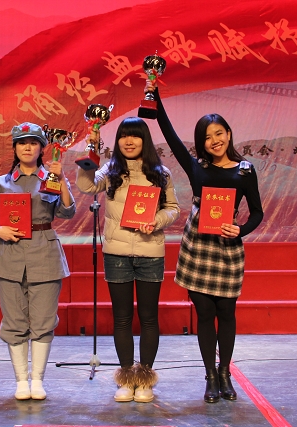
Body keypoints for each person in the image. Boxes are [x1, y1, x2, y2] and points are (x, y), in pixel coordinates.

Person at [145, 80, 264, 403]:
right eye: (207, 137)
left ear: (229, 134)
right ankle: (210, 376)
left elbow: (257, 212)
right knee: (204, 312)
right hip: (198, 247)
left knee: (226, 312)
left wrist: (241, 230)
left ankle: (225, 373)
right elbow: (169, 134)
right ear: (201, 143)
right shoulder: (196, 167)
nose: (215, 141)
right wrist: (155, 95)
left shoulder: (245, 171)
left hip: (227, 248)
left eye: (219, 133)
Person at [76, 117, 180, 403]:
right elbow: (86, 186)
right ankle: (125, 378)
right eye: (123, 136)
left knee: (148, 317)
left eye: (135, 136)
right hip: (117, 254)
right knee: (121, 318)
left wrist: (157, 221)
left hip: (150, 252)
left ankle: (144, 379)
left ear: (145, 140)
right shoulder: (111, 171)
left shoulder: (161, 173)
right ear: (118, 141)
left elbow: (173, 208)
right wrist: (90, 153)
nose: (129, 141)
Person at [0, 122, 76, 400]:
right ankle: (21, 380)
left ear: (41, 148)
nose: (27, 147)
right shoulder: (0, 183)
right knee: (14, 320)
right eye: (22, 143)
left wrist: (63, 180)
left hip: (44, 253)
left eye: (33, 142)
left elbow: (67, 212)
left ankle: (37, 380)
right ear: (14, 148)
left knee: (44, 320)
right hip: (9, 255)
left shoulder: (51, 179)